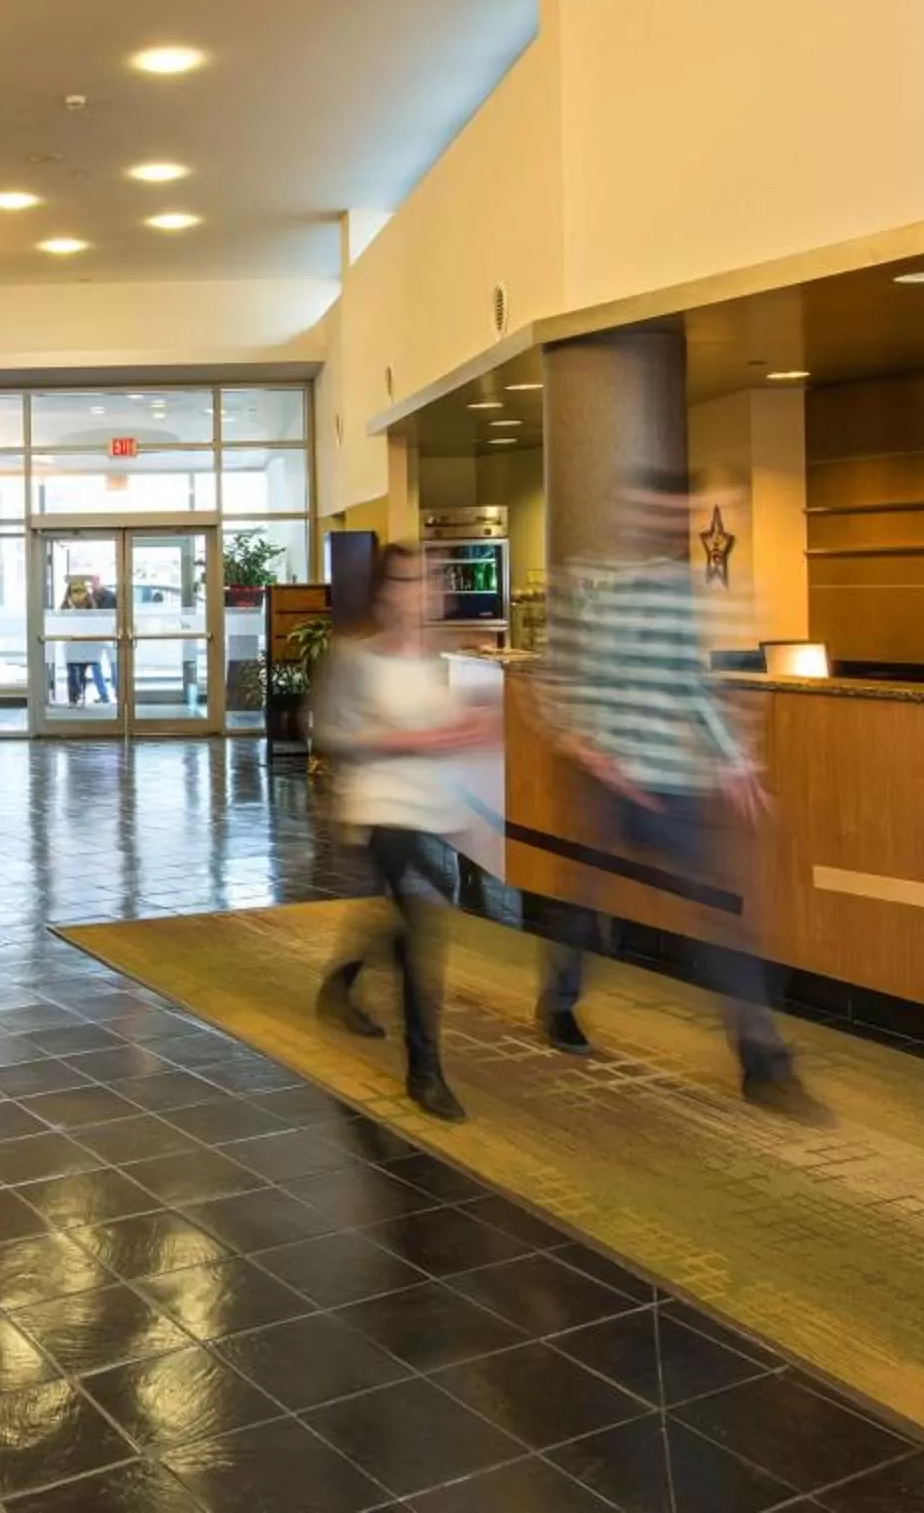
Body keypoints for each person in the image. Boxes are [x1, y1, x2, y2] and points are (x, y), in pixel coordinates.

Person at [539, 476, 807, 1108]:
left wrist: (736, 762)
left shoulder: (683, 593)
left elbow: (692, 684)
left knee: (721, 914)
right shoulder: (587, 583)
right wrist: (581, 745)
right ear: (631, 513)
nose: (668, 525)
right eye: (658, 512)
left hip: (671, 782)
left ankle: (762, 1060)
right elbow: (561, 675)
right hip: (605, 777)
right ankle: (558, 1001)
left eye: (678, 515)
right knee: (583, 902)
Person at [311, 544, 500, 1121]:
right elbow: (330, 731)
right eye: (407, 581)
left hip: (434, 809)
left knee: (404, 922)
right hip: (383, 808)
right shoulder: (355, 658)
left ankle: (341, 984)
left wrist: (472, 727)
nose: (420, 592)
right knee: (424, 927)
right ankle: (425, 1071)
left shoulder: (439, 660)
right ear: (386, 592)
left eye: (428, 581)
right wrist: (408, 741)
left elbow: (450, 730)